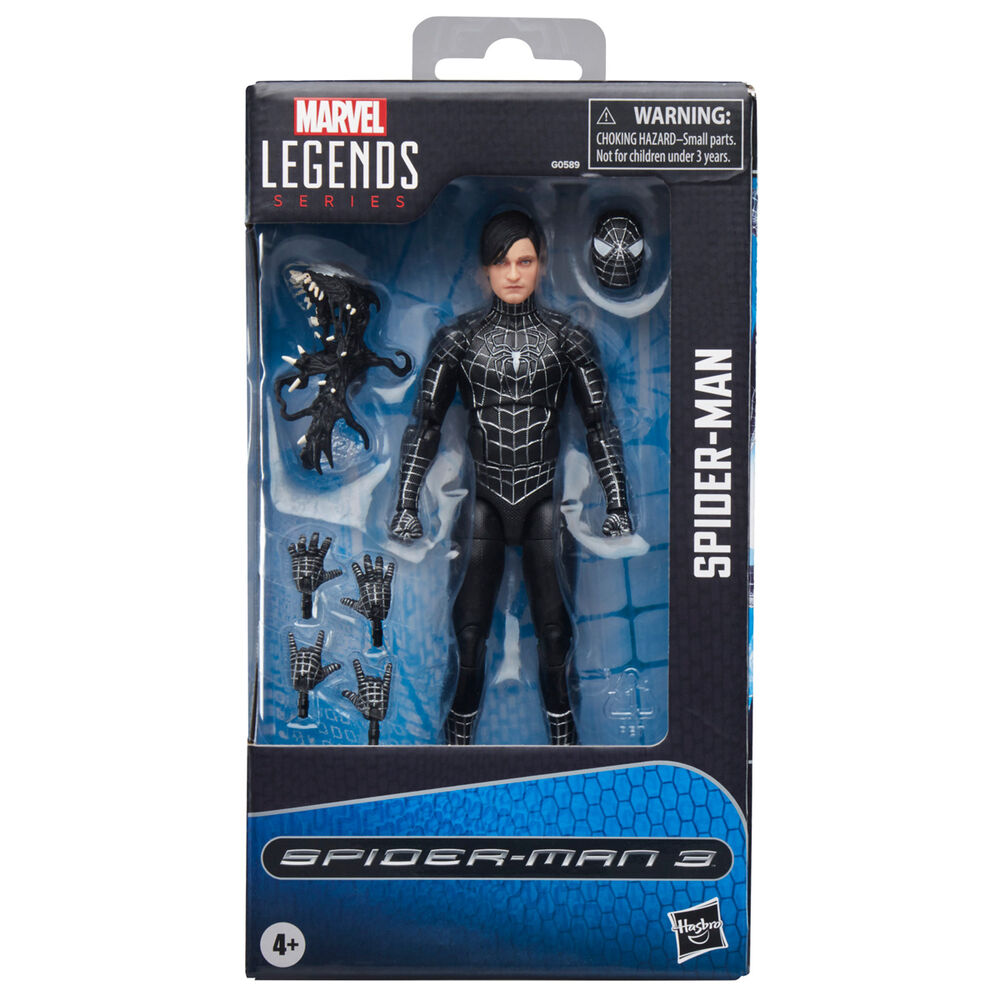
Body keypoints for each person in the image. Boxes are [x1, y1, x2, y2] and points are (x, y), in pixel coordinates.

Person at [390, 210, 633, 745]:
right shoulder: (458, 339)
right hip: (483, 500)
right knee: (468, 635)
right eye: (502, 262)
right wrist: (406, 504)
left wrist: (617, 503)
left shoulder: (569, 339)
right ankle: (456, 737)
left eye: (524, 261)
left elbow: (600, 424)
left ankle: (564, 737)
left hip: (546, 499)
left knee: (556, 633)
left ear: (541, 263)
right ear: (484, 269)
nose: (514, 273)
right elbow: (425, 423)